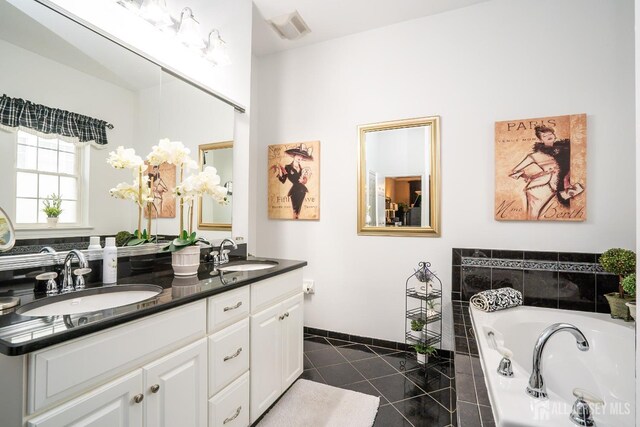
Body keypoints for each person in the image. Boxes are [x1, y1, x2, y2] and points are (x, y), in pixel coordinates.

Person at [509, 125, 583, 219]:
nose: (548, 136)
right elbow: (514, 171)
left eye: (550, 133)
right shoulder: (535, 155)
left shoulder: (566, 150)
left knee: (579, 193)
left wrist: (566, 179)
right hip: (539, 187)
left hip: (558, 187)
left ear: (554, 136)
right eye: (544, 136)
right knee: (533, 217)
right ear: (540, 140)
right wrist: (532, 176)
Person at [273, 144, 313, 219]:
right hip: (294, 192)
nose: (300, 157)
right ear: (294, 156)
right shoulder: (287, 167)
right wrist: (280, 172)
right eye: (298, 155)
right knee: (295, 210)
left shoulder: (302, 169)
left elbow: (305, 179)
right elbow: (283, 180)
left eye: (302, 156)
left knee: (299, 210)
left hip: (302, 191)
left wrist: (303, 180)